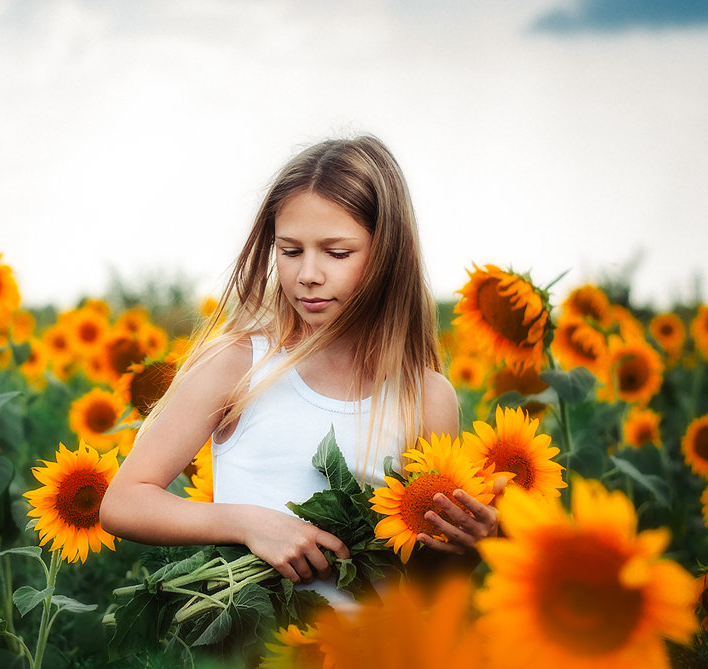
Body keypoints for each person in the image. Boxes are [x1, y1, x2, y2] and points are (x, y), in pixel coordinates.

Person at [99, 134, 498, 608]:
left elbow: (426, 586)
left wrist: (469, 545)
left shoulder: (426, 396)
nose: (308, 273)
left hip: (365, 668)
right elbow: (124, 502)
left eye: (337, 253)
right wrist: (247, 524)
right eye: (290, 251)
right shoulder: (239, 364)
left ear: (388, 255)